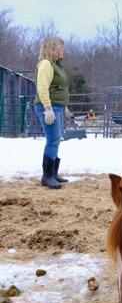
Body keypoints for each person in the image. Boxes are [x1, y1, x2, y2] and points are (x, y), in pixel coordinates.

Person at [34, 36, 71, 189]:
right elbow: (42, 88)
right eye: (60, 48)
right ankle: (47, 176)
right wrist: (48, 109)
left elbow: (59, 89)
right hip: (48, 108)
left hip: (57, 107)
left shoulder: (57, 66)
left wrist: (64, 107)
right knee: (53, 140)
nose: (63, 51)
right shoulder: (46, 64)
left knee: (56, 140)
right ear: (53, 49)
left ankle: (53, 173)